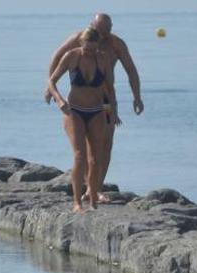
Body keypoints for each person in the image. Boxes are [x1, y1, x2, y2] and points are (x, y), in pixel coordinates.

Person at [45, 13, 143, 203]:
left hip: (105, 100)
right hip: (82, 102)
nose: (104, 34)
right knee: (88, 147)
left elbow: (131, 70)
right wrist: (50, 89)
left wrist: (137, 97)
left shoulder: (116, 44)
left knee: (105, 143)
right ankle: (89, 188)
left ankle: (95, 189)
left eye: (107, 30)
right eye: (100, 30)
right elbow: (57, 57)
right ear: (92, 26)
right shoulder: (79, 39)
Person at [48, 28, 115, 212]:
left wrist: (112, 112)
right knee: (79, 156)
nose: (90, 53)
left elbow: (110, 89)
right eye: (87, 49)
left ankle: (92, 200)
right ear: (81, 44)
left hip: (96, 111)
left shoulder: (102, 59)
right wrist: (60, 100)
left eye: (93, 49)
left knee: (95, 159)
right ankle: (77, 202)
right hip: (74, 111)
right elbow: (52, 81)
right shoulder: (72, 56)